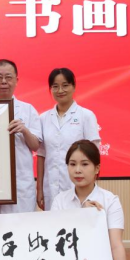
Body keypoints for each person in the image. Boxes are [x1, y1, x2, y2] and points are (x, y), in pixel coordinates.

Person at [51, 140, 130, 260]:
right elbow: (57, 244)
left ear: (97, 168)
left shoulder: (110, 201)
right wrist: (83, 215)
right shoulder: (60, 201)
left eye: (85, 164)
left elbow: (116, 246)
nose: (78, 170)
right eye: (72, 164)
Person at [0, 59, 42, 214]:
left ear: (16, 81)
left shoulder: (28, 110)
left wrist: (25, 130)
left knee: (22, 226)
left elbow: (36, 146)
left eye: (8, 77)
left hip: (20, 184)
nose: (4, 82)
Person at [37, 68, 101, 211]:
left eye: (65, 85)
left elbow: (94, 156)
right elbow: (41, 156)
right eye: (55, 86)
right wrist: (39, 189)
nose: (60, 90)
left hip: (79, 187)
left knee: (78, 222)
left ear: (74, 86)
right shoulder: (43, 118)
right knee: (53, 223)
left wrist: (92, 190)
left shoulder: (86, 116)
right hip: (50, 188)